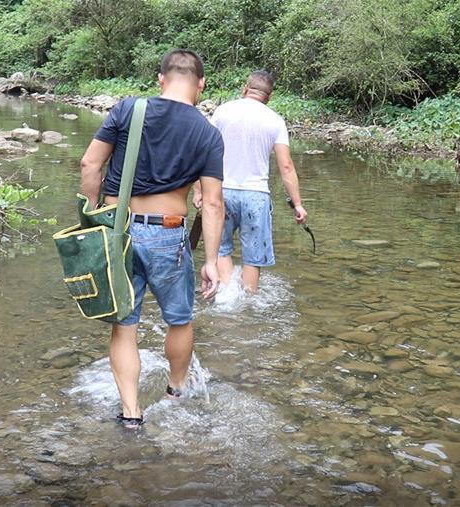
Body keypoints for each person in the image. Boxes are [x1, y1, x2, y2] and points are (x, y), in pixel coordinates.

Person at [79, 49, 225, 429]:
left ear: (161, 79)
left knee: (125, 325)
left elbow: (90, 164)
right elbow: (212, 202)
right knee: (179, 320)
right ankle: (176, 392)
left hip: (118, 230)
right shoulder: (208, 133)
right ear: (201, 85)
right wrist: (211, 260)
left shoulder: (128, 109)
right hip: (167, 231)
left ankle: (130, 413)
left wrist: (92, 216)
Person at [201, 70, 307, 293]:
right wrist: (297, 204)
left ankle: (227, 297)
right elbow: (286, 166)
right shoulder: (275, 120)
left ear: (245, 89)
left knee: (220, 250)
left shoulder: (223, 111)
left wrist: (200, 190)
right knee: (253, 256)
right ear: (269, 97)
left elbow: (205, 152)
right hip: (256, 195)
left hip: (222, 191)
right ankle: (248, 302)